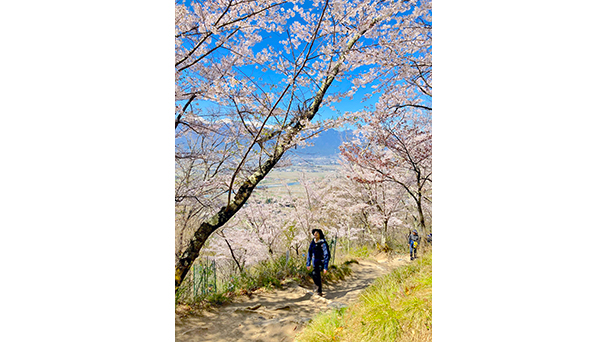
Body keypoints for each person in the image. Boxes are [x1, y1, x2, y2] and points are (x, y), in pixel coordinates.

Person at [306, 229, 330, 296]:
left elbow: (326, 254)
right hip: (314, 262)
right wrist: (308, 263)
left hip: (321, 262)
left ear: (320, 234)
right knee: (315, 275)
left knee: (316, 273)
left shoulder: (323, 243)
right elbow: (309, 252)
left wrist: (325, 266)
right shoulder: (313, 242)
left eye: (317, 233)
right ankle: (318, 289)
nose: (315, 234)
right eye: (314, 233)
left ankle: (318, 289)